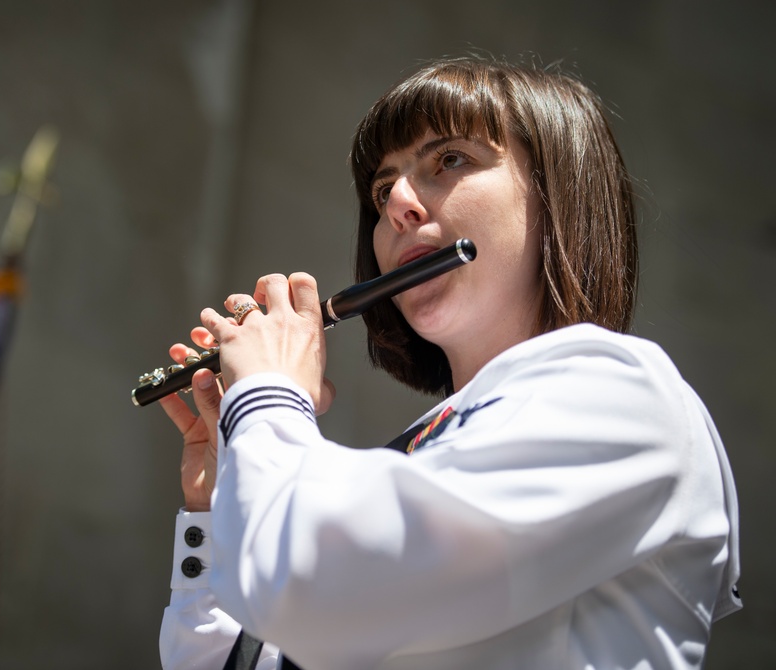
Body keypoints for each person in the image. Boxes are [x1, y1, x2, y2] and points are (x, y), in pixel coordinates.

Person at [156, 56, 742, 670]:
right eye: (383, 190)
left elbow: (316, 589)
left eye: (450, 160)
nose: (398, 205)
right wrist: (230, 491)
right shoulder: (422, 452)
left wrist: (268, 401)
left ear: (557, 192)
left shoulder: (623, 394)